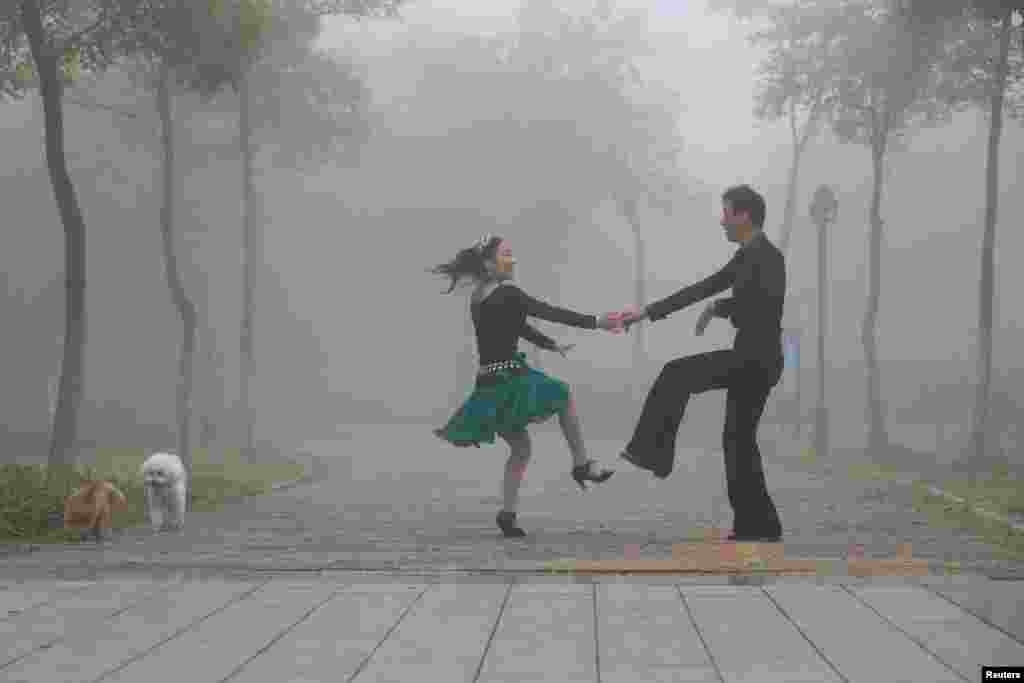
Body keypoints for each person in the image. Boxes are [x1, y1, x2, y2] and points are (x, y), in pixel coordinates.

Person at [618, 185, 785, 542]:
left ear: (743, 215)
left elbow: (762, 308)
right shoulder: (747, 256)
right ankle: (759, 524)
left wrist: (720, 308)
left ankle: (652, 452)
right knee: (738, 440)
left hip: (756, 359)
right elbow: (705, 286)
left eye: (725, 213)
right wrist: (646, 313)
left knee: (677, 373)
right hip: (753, 357)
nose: (721, 221)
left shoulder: (768, 258)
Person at [430, 234, 619, 538]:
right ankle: (582, 464)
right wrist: (597, 321)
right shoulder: (509, 292)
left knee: (520, 448)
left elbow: (515, 325)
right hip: (509, 380)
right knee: (562, 394)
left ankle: (507, 514)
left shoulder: (480, 296)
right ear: (490, 264)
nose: (513, 259)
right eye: (506, 254)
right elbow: (547, 311)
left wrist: (549, 343)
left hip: (488, 384)